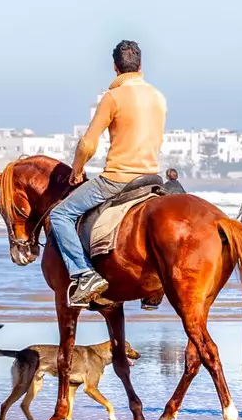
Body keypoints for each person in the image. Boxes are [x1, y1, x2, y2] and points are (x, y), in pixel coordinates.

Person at [48, 40, 167, 307]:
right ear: (140, 65)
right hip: (151, 179)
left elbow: (88, 144)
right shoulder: (158, 97)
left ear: (115, 67)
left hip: (119, 178)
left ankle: (84, 274)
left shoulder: (113, 97)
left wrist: (76, 170)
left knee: (60, 214)